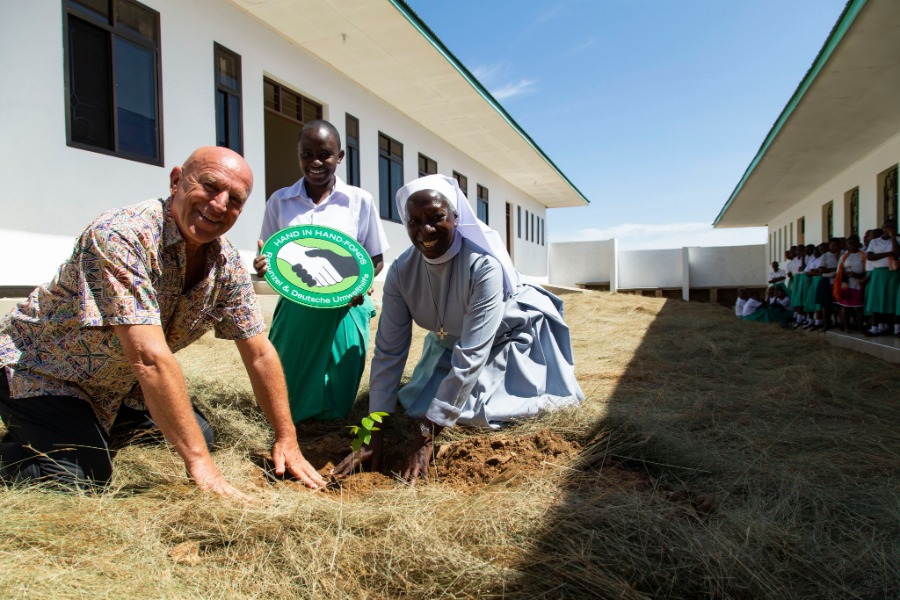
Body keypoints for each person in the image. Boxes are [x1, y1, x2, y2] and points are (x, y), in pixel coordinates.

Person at [0, 147, 326, 496]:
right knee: (83, 476)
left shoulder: (226, 263)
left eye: (234, 199)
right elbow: (149, 358)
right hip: (41, 372)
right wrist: (201, 466)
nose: (219, 204)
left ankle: (82, 430)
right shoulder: (121, 235)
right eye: (210, 186)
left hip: (119, 384)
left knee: (202, 435)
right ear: (176, 181)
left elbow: (259, 352)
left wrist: (286, 438)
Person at [334, 175, 583, 483]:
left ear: (456, 217)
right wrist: (372, 431)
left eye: (437, 217)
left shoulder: (484, 267)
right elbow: (389, 350)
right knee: (413, 405)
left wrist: (425, 435)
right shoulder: (401, 271)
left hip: (508, 338)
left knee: (479, 414)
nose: (425, 230)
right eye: (414, 221)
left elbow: (473, 352)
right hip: (451, 343)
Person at [255, 120, 388, 422]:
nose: (315, 162)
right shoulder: (280, 201)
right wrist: (263, 265)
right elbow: (270, 255)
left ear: (340, 156)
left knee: (340, 382)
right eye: (307, 153)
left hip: (346, 306)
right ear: (298, 155)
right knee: (290, 376)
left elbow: (374, 258)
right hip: (297, 308)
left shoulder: (359, 201)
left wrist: (361, 284)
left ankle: (333, 430)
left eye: (325, 154)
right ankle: (291, 427)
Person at [864, 221, 899, 337]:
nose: (889, 229)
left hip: (892, 272)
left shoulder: (897, 240)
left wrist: (893, 237)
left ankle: (896, 328)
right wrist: (888, 253)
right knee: (876, 299)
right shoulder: (874, 242)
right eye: (887, 227)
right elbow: (870, 256)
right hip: (878, 273)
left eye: (892, 227)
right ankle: (874, 328)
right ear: (882, 228)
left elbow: (897, 253)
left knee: (893, 299)